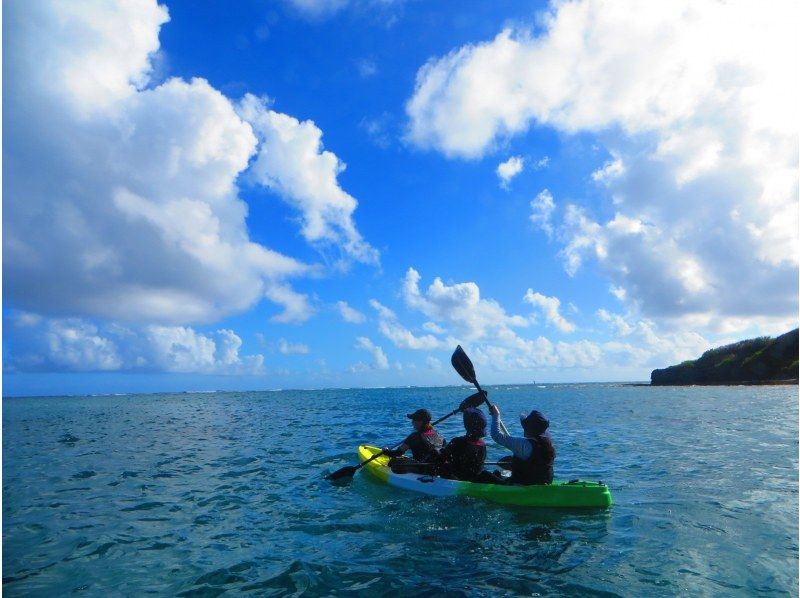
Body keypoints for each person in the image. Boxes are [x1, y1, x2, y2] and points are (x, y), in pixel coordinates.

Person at [489, 404, 555, 485]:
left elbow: (496, 435)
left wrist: (496, 415)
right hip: (545, 483)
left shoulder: (524, 444)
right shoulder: (549, 443)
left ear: (528, 429)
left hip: (524, 486)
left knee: (486, 475)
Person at [436, 408, 503, 484]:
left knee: (442, 465)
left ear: (466, 425)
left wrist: (437, 453)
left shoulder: (458, 442)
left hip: (459, 480)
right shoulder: (482, 444)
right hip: (475, 477)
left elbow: (441, 458)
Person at [382, 408, 445, 473]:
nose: (412, 422)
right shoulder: (438, 435)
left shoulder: (415, 436)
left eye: (414, 420)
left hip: (422, 470)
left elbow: (397, 453)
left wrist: (386, 451)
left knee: (393, 461)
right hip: (437, 469)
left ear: (420, 422)